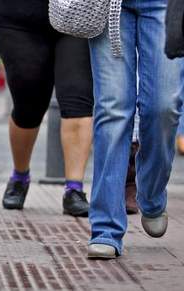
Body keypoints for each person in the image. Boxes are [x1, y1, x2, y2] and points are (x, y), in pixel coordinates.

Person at [87, 0, 184, 259]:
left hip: (166, 4)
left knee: (164, 107)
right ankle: (105, 228)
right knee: (113, 109)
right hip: (107, 4)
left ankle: (151, 195)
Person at [0, 0, 94, 217]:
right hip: (18, 17)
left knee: (78, 99)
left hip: (77, 11)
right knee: (28, 103)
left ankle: (74, 189)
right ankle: (20, 177)